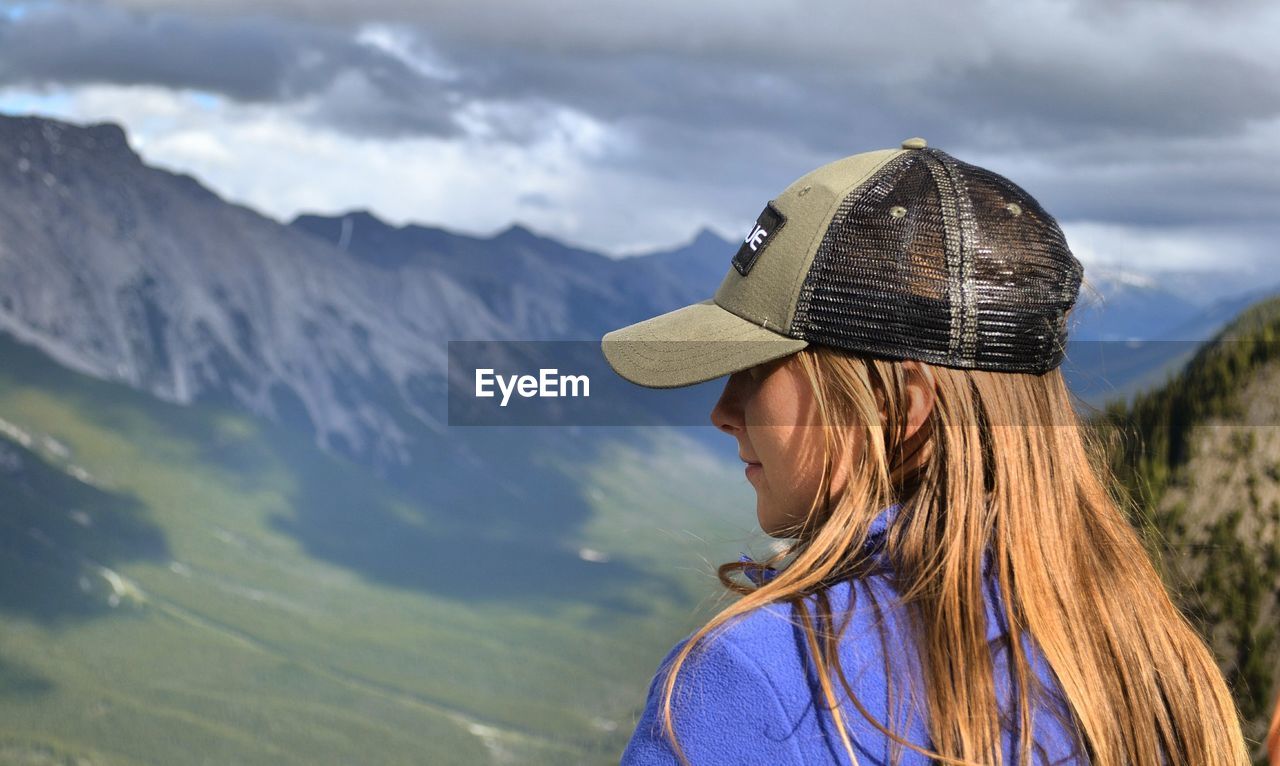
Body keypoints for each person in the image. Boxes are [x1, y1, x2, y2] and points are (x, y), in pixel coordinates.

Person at [600, 138, 1250, 765]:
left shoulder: (760, 683)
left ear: (897, 407)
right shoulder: (1159, 667)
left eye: (759, 368)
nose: (723, 411)